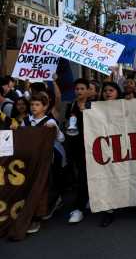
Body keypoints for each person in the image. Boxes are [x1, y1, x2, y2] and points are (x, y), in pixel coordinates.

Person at [22, 92, 65, 234]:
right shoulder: (26, 121)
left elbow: (61, 138)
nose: (34, 107)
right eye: (32, 104)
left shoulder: (50, 121)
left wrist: (53, 129)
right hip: (29, 160)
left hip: (45, 160)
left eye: (37, 104)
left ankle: (37, 218)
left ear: (45, 107)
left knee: (42, 186)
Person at [66, 79, 92, 224]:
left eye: (82, 88)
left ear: (88, 90)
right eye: (77, 89)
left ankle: (81, 206)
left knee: (88, 175)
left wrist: (86, 112)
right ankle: (82, 204)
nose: (79, 91)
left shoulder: (93, 105)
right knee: (81, 175)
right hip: (76, 145)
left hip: (92, 145)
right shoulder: (71, 105)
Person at [99, 82, 123, 227]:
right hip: (106, 148)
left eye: (111, 90)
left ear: (117, 92)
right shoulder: (95, 108)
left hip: (123, 147)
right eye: (105, 90)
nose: (108, 93)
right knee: (108, 177)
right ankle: (109, 211)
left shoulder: (126, 104)